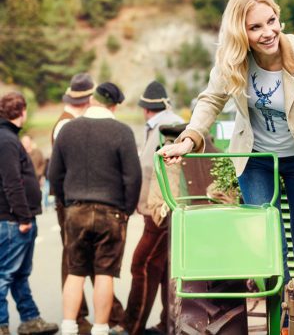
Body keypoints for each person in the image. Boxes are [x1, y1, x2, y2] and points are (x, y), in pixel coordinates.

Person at [158, 0, 294, 335]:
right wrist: (188, 138)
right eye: (255, 28)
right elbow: (211, 101)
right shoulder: (232, 61)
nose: (268, 32)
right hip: (256, 159)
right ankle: (282, 326)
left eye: (271, 21)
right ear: (242, 33)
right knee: (268, 248)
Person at [48, 83, 142, 335]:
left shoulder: (68, 130)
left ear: (92, 101)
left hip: (76, 209)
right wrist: (126, 211)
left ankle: (68, 327)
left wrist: (67, 203)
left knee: (75, 271)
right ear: (114, 105)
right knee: (104, 273)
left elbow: (54, 174)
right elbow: (133, 177)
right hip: (110, 212)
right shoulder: (122, 132)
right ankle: (100, 329)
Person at [113, 81, 183, 335]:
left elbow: (169, 174)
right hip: (161, 209)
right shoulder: (166, 125)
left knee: (141, 264)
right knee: (163, 268)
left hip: (162, 211)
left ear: (146, 109)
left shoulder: (168, 128)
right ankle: (167, 324)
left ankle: (133, 326)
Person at [0, 92, 59, 335]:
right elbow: (12, 182)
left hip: (15, 217)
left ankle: (30, 318)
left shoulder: (8, 138)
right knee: (5, 273)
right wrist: (23, 217)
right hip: (14, 219)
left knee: (19, 273)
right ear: (22, 111)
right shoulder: (7, 140)